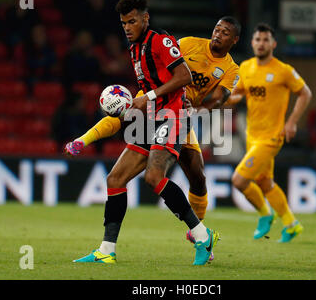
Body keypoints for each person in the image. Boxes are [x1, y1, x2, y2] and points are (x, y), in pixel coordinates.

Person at [65, 16, 241, 261]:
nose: (218, 34)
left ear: (234, 40)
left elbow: (219, 98)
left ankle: (199, 236)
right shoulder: (189, 43)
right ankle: (107, 251)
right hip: (159, 107)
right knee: (116, 178)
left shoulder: (232, 69)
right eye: (216, 29)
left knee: (197, 178)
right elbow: (121, 114)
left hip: (181, 115)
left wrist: (197, 110)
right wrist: (83, 140)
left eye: (225, 32)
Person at [226, 23, 312, 243]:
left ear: (273, 44)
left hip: (272, 136)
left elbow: (305, 93)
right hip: (252, 135)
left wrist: (292, 122)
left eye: (265, 40)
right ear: (252, 43)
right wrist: (224, 99)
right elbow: (238, 93)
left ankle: (265, 213)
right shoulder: (245, 67)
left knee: (239, 180)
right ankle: (292, 224)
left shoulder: (283, 70)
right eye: (257, 39)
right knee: (265, 183)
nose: (261, 43)